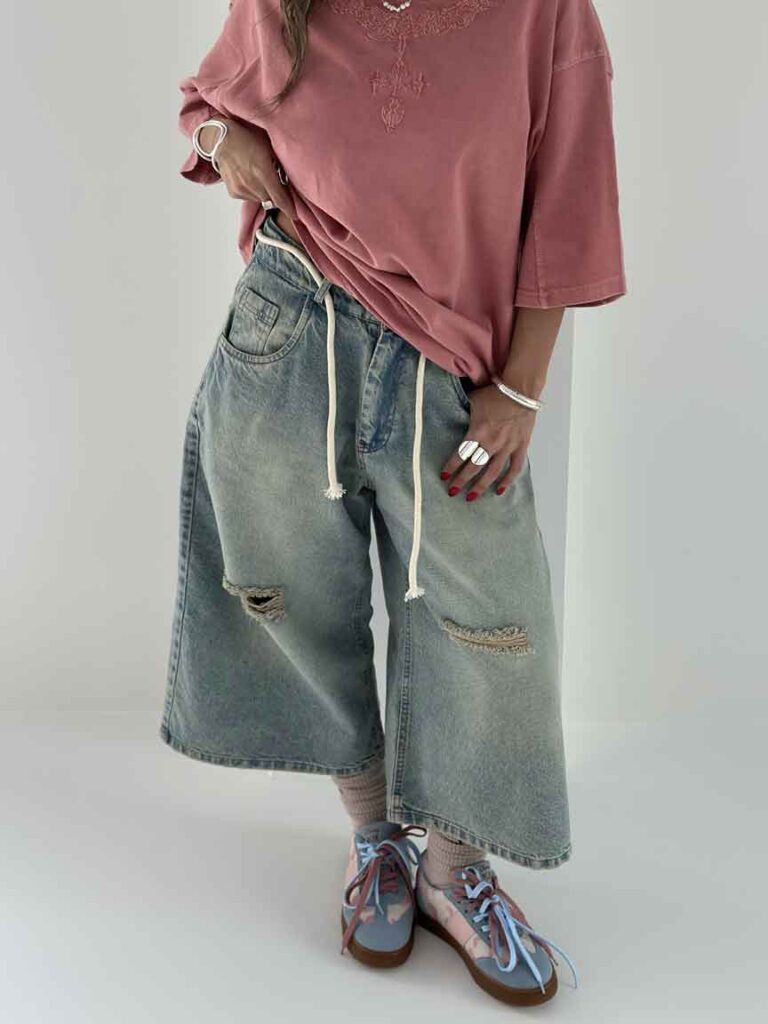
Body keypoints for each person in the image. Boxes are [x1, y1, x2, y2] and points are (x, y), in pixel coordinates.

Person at [159, 0, 625, 1006]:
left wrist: (521, 388)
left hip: (453, 370)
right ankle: (375, 837)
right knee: (294, 593)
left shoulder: (544, 13)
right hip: (289, 329)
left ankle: (455, 874)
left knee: (492, 629)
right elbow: (204, 104)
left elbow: (570, 201)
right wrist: (226, 141)